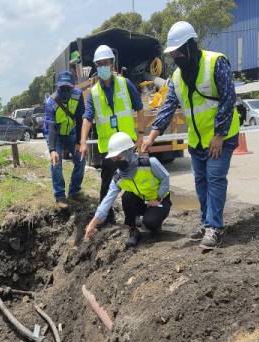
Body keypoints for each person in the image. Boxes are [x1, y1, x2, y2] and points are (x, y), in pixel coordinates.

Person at [141, 21, 240, 250]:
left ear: (190, 46)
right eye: (172, 53)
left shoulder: (215, 62)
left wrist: (219, 134)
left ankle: (215, 227)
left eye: (178, 52)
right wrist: (151, 136)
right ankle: (207, 223)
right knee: (201, 183)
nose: (175, 56)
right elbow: (168, 107)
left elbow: (228, 98)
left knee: (214, 179)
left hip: (220, 137)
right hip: (197, 140)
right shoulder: (176, 77)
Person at [80, 44, 145, 225]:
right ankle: (106, 217)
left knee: (133, 178)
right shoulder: (93, 93)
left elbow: (140, 108)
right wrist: (83, 141)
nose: (102, 66)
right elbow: (87, 118)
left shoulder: (125, 84)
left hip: (127, 143)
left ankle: (136, 214)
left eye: (105, 63)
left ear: (112, 64)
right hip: (108, 148)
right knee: (107, 181)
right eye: (99, 64)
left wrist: (140, 134)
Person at [84, 132, 171, 247]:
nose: (117, 161)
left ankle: (154, 222)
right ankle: (133, 230)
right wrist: (92, 224)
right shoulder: (119, 176)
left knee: (150, 222)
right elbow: (107, 201)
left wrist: (158, 197)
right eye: (114, 159)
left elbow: (165, 178)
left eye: (119, 157)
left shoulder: (149, 163)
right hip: (142, 201)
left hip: (159, 201)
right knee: (127, 197)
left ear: (129, 152)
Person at [45, 71, 86, 207]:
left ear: (73, 87)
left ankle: (74, 192)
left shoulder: (78, 95)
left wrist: (79, 142)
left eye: (68, 88)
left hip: (71, 133)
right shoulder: (51, 102)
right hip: (56, 135)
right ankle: (60, 196)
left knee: (80, 158)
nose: (65, 90)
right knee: (56, 162)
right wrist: (52, 150)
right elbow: (51, 127)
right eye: (62, 88)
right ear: (58, 87)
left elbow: (80, 119)